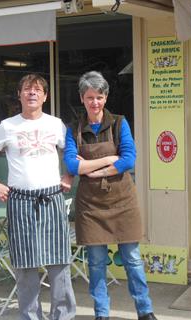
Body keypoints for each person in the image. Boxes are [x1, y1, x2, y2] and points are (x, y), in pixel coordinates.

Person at [0, 74, 76, 320]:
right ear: (19, 94)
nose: (32, 93)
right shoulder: (7, 126)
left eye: (37, 90)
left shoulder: (56, 124)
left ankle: (63, 316)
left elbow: (73, 153)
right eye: (27, 89)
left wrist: (69, 177)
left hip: (52, 197)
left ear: (45, 96)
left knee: (59, 262)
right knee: (25, 264)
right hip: (20, 200)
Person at [64, 71, 157, 320]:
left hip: (122, 201)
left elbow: (128, 159)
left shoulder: (119, 122)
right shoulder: (74, 128)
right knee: (95, 264)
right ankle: (101, 313)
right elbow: (72, 167)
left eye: (100, 96)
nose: (95, 102)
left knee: (133, 259)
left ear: (106, 98)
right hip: (91, 206)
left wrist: (92, 170)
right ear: (82, 99)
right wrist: (108, 160)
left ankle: (145, 310)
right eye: (90, 97)